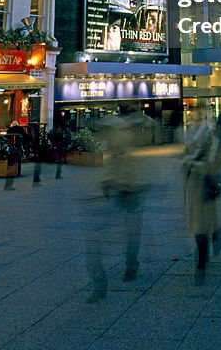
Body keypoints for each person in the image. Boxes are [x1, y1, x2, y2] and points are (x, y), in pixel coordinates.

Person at [86, 109, 146, 300]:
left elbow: (129, 167)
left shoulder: (124, 143)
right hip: (118, 191)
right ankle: (127, 266)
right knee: (127, 231)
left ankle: (130, 264)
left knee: (130, 231)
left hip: (128, 191)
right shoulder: (119, 143)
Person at [183, 122, 221, 283]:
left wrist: (198, 166)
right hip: (197, 194)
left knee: (205, 224)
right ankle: (201, 260)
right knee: (199, 228)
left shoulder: (215, 145)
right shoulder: (193, 148)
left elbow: (216, 164)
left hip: (209, 191)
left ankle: (211, 242)